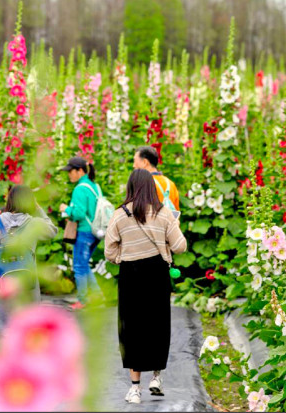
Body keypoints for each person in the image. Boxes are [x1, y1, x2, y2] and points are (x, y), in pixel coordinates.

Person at [104, 169, 188, 405]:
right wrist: (174, 227)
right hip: (157, 274)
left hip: (131, 275)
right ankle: (157, 377)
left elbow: (109, 251)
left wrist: (125, 256)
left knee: (132, 327)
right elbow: (180, 246)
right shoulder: (164, 213)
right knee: (158, 324)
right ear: (152, 186)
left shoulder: (120, 215)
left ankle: (134, 389)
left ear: (130, 187)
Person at [0, 185, 57, 335]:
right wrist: (38, 209)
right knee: (30, 329)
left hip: (4, 286)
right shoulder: (34, 223)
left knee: (2, 328)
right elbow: (52, 230)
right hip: (29, 286)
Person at [59, 155, 103, 309]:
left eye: (70, 171)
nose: (69, 174)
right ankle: (97, 296)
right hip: (96, 232)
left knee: (78, 266)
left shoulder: (79, 189)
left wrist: (66, 209)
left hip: (84, 232)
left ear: (79, 171)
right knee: (84, 264)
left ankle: (83, 300)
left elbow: (78, 214)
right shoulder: (94, 186)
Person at [134, 146, 180, 211]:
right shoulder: (170, 184)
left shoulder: (144, 183)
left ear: (145, 162)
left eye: (135, 161)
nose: (134, 165)